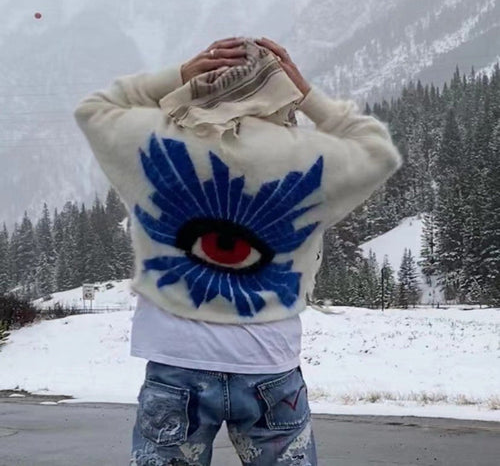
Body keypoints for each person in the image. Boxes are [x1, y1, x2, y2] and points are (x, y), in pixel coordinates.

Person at [74, 36, 402, 466]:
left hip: (176, 363)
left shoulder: (155, 145)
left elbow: (94, 109)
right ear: (277, 92)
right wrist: (307, 96)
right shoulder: (305, 160)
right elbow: (378, 151)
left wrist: (178, 75)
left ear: (201, 88)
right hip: (269, 363)